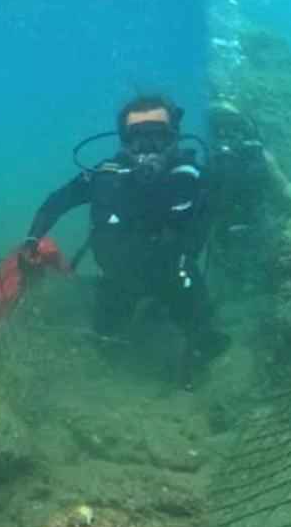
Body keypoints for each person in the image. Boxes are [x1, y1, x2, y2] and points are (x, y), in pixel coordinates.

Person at [23, 94, 228, 382]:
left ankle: (176, 337)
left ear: (175, 137)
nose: (148, 148)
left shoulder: (195, 179)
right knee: (105, 346)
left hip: (177, 278)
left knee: (204, 337)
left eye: (158, 137)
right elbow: (57, 202)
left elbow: (226, 219)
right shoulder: (105, 176)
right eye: (138, 139)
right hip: (119, 279)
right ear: (123, 141)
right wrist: (32, 240)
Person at [204, 99, 291, 290]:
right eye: (220, 127)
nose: (226, 132)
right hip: (230, 222)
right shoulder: (215, 159)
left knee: (265, 251)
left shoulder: (257, 153)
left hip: (257, 215)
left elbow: (280, 181)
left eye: (232, 125)